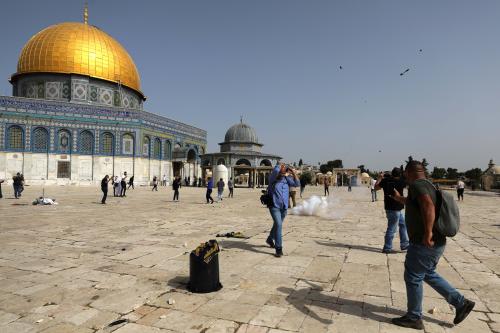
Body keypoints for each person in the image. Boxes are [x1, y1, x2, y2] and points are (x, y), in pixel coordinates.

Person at [390, 161, 475, 329]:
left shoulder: (417, 185)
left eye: (405, 174)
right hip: (437, 242)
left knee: (413, 276)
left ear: (409, 172)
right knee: (426, 273)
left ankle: (414, 317)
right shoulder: (428, 184)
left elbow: (427, 205)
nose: (404, 177)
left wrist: (428, 233)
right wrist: (400, 199)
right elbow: (419, 203)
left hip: (425, 242)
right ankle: (461, 303)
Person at [266, 164, 300, 257]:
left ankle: (270, 239)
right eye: (282, 170)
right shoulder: (273, 179)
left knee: (277, 224)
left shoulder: (286, 179)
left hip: (284, 207)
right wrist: (281, 167)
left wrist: (293, 172)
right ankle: (278, 248)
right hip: (274, 206)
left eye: (284, 170)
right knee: (279, 225)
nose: (283, 172)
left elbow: (297, 184)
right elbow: (277, 171)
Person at [375, 168, 409, 254]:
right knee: (392, 228)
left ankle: (404, 244)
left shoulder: (386, 180)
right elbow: (408, 182)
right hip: (396, 208)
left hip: (391, 208)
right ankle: (387, 247)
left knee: (403, 224)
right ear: (400, 174)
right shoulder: (402, 181)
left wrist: (379, 178)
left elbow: (375, 188)